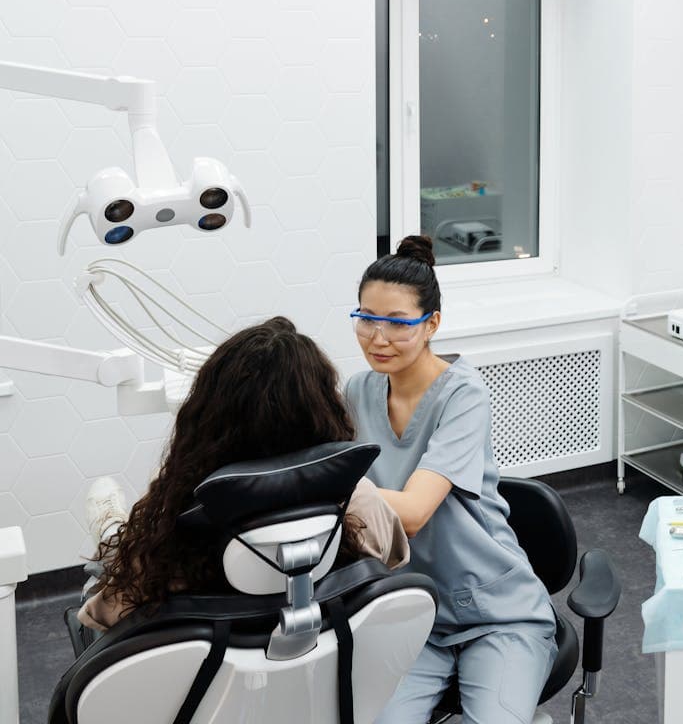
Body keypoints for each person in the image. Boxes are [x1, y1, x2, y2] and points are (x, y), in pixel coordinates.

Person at [344, 235, 557, 724]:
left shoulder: (463, 395)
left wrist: (329, 489)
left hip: (496, 612)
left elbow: (414, 513)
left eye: (397, 323)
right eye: (366, 319)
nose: (378, 337)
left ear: (432, 323)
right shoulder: (357, 390)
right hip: (409, 613)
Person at [80, 316, 409, 631]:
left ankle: (111, 526)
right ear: (323, 410)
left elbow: (101, 616)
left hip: (208, 686)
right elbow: (392, 557)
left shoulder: (176, 526)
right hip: (317, 676)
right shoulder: (359, 501)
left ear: (209, 417)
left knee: (115, 545)